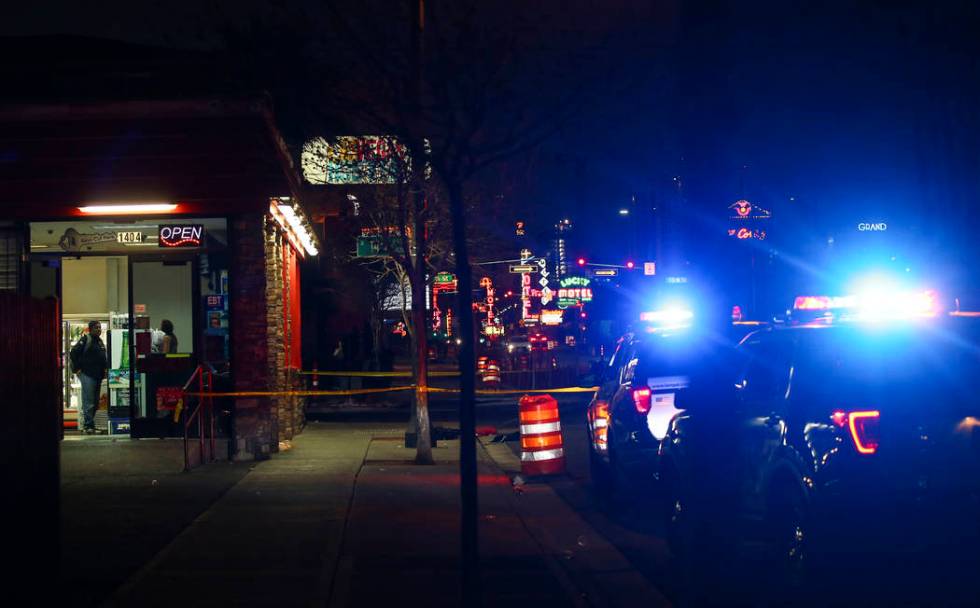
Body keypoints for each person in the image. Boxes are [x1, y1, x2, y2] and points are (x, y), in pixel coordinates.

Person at [70, 320, 108, 434]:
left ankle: (91, 425)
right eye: (96, 327)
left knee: (95, 402)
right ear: (90, 329)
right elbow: (73, 352)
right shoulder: (86, 339)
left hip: (97, 376)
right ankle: (88, 426)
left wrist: (105, 370)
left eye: (100, 327)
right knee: (89, 401)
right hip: (87, 375)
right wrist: (77, 369)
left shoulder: (100, 341)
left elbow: (102, 357)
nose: (99, 329)